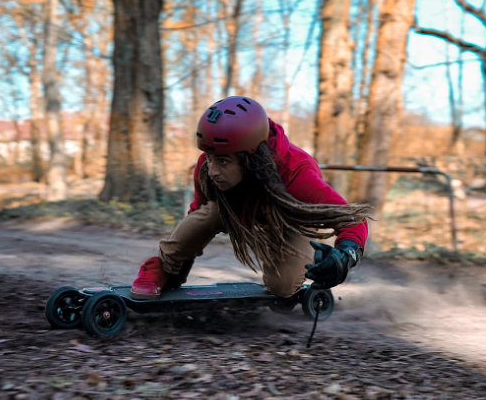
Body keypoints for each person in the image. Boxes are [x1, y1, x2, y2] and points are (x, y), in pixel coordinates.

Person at [130, 96, 373, 300]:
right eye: (209, 157)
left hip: (289, 219)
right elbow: (197, 215)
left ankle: (290, 277)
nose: (212, 169)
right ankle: (160, 268)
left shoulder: (296, 173)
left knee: (282, 288)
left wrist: (344, 255)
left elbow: (353, 219)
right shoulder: (208, 166)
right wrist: (175, 268)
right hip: (236, 211)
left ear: (251, 158)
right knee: (208, 212)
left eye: (223, 161)